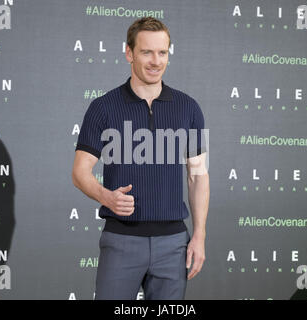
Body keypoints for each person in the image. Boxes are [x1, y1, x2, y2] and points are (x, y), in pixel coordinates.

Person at [72, 17, 209, 300]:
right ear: (129, 53)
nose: (155, 61)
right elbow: (80, 172)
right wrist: (106, 196)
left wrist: (199, 235)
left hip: (173, 244)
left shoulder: (189, 108)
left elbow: (198, 176)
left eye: (162, 52)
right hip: (121, 240)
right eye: (147, 52)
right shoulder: (103, 107)